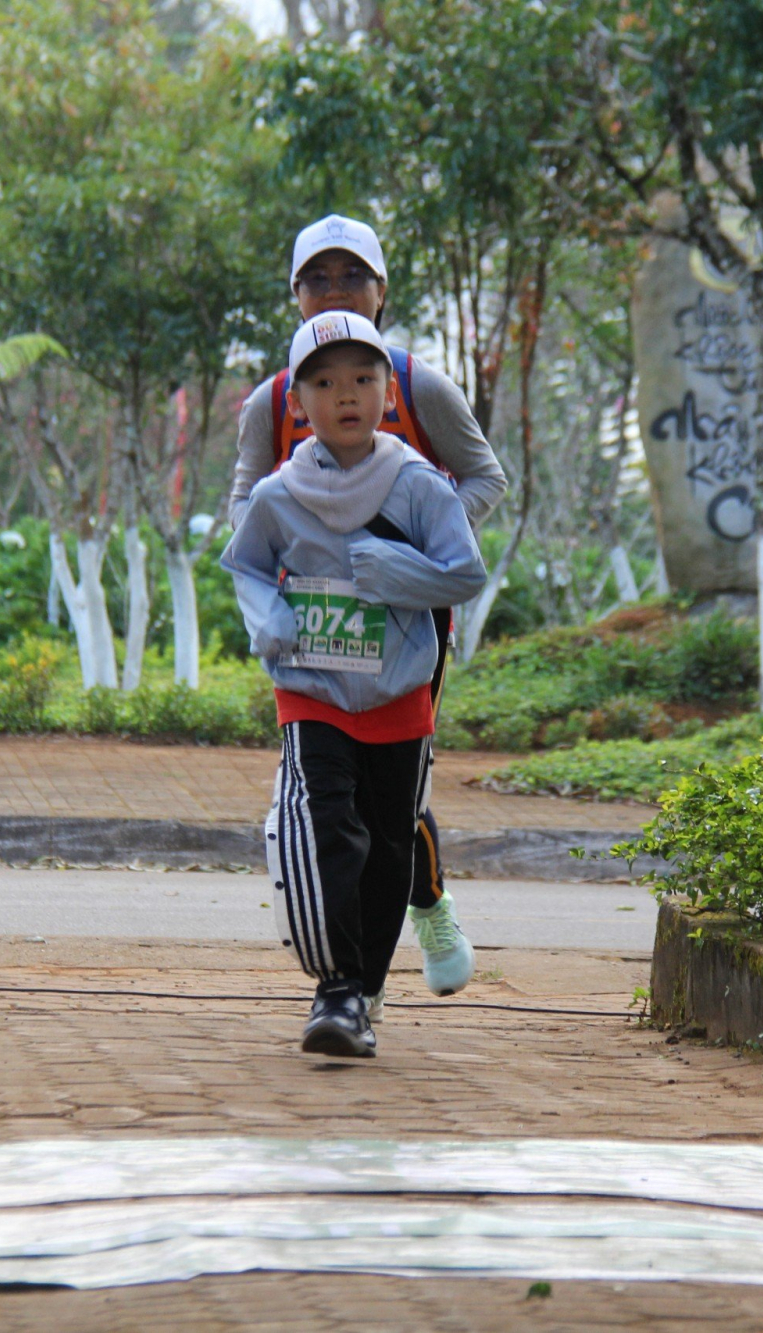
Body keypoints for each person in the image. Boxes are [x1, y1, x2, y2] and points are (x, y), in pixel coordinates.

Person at [229, 215, 505, 1007]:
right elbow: (244, 502)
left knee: (397, 795)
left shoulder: (417, 384)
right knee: (329, 794)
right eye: (318, 278)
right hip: (312, 632)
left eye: (352, 277)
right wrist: (281, 576)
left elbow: (485, 478)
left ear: (382, 293)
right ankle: (351, 982)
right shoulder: (274, 398)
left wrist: (416, 541)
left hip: (410, 625)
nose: (334, 291)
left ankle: (427, 903)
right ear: (293, 294)